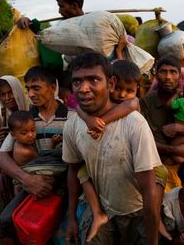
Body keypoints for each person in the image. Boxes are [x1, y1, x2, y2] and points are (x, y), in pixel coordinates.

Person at [64, 52, 162, 244]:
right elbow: (73, 171)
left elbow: (149, 192)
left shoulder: (134, 123)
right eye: (77, 82)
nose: (83, 89)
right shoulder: (73, 124)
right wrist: (72, 218)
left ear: (110, 83)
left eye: (93, 80)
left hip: (137, 212)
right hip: (102, 210)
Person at [0, 66, 72, 244]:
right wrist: (27, 179)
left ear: (53, 87)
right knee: (7, 221)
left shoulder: (72, 117)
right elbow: (1, 157)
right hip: (33, 185)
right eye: (28, 89)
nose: (30, 94)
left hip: (65, 186)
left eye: (36, 88)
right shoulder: (25, 120)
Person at [140, 55, 184, 192]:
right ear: (156, 74)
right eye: (163, 71)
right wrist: (174, 150)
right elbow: (143, 142)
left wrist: (178, 127)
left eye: (173, 72)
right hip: (158, 168)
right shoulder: (146, 103)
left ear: (179, 76)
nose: (168, 77)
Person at [0, 75, 29, 156]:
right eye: (3, 94)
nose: (7, 98)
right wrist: (2, 141)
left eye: (10, 92)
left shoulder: (32, 110)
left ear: (17, 91)